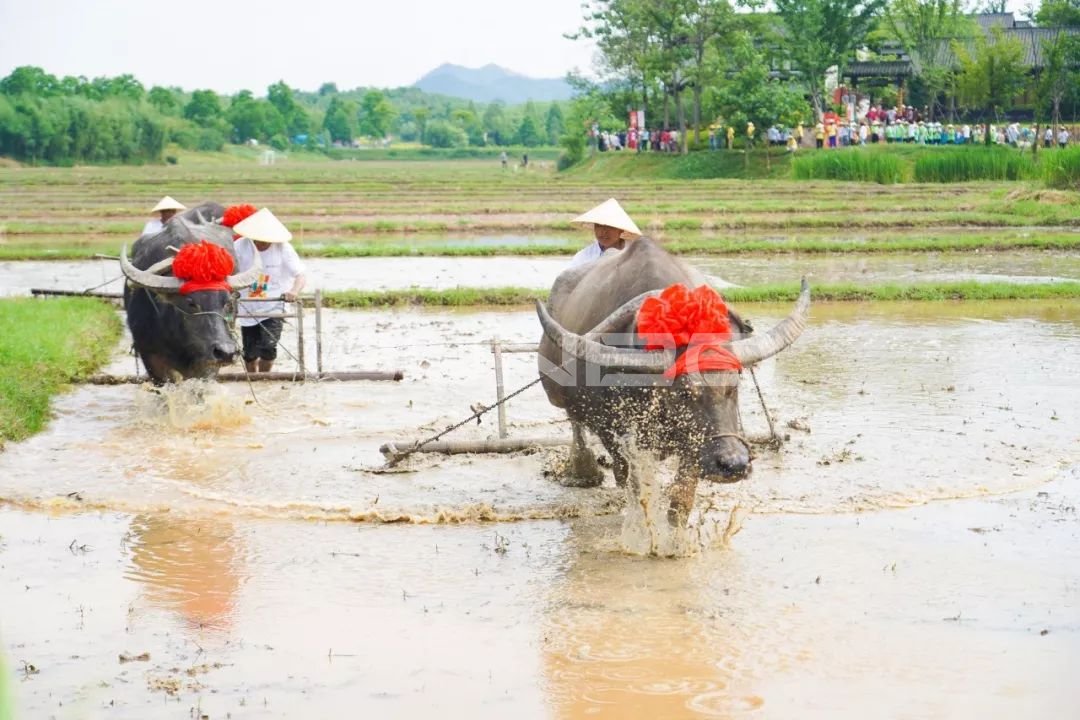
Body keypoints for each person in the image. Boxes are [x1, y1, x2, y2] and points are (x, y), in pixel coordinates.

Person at [232, 208, 307, 373]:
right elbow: (229, 271)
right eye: (258, 239)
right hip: (248, 306)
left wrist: (293, 291)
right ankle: (252, 378)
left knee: (268, 346)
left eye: (266, 240)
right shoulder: (239, 246)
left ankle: (265, 378)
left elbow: (300, 275)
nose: (262, 243)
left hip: (274, 306)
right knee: (249, 353)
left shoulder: (283, 248)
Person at [566, 198, 642, 270]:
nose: (604, 232)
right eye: (599, 226)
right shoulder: (583, 257)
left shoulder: (635, 255)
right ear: (594, 228)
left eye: (610, 226)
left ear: (621, 229)